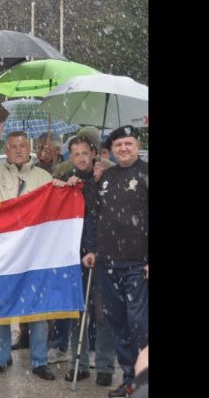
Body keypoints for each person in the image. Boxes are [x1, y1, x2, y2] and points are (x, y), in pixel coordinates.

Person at [0, 121, 55, 381]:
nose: (18, 150)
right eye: (13, 146)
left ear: (30, 149)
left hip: (33, 253)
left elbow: (55, 207)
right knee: (0, 306)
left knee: (37, 308)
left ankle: (39, 361)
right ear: (6, 149)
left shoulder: (43, 177)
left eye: (22, 146)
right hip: (2, 253)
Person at [82, 125, 148, 398]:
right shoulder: (105, 177)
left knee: (139, 324)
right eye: (118, 144)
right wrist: (92, 249)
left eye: (128, 144)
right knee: (117, 323)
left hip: (137, 264)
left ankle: (144, 382)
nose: (123, 149)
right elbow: (95, 215)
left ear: (137, 145)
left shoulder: (146, 174)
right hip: (107, 263)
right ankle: (130, 380)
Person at [53, 136, 117, 385]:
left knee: (102, 314)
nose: (81, 157)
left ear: (93, 153)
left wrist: (99, 182)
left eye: (84, 153)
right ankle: (78, 364)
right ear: (71, 156)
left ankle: (104, 367)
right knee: (76, 313)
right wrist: (65, 188)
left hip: (102, 254)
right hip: (74, 255)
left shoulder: (107, 178)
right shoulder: (70, 180)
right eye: (76, 153)